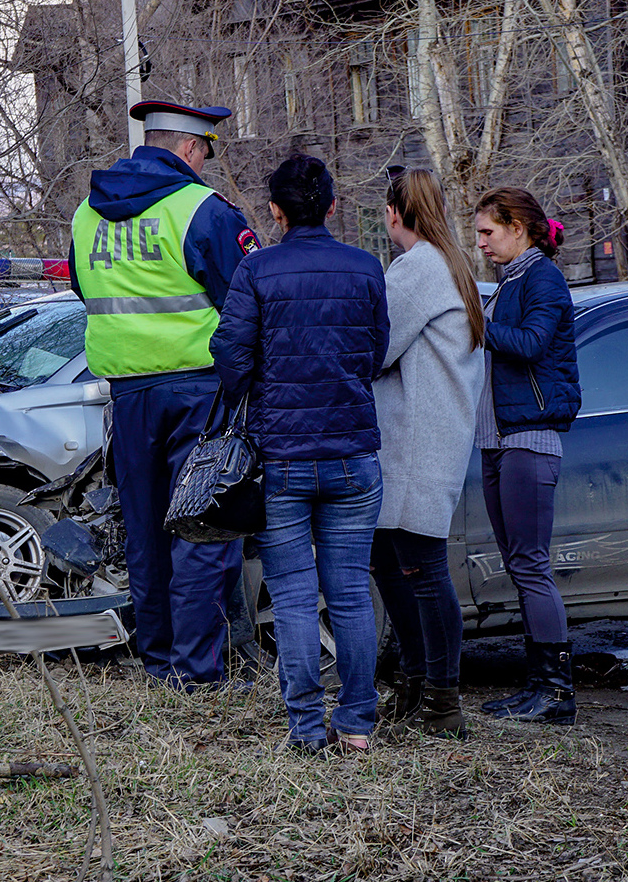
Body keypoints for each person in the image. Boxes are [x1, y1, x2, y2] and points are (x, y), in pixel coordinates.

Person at [68, 100, 261, 689]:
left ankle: (157, 661)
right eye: (206, 150)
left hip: (126, 394)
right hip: (199, 391)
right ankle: (196, 671)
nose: (206, 162)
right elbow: (246, 300)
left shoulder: (85, 215)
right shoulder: (202, 210)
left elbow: (84, 291)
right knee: (204, 525)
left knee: (147, 530)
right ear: (188, 148)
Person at [211, 155, 389, 754]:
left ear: (275, 212)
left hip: (284, 458)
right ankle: (358, 723)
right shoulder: (366, 268)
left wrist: (258, 397)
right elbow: (376, 350)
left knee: (290, 593)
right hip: (354, 454)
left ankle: (307, 729)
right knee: (349, 592)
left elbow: (230, 354)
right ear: (333, 206)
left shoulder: (257, 271)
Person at [371, 169, 487, 739]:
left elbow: (376, 345)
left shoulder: (416, 269)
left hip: (417, 441)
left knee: (421, 570)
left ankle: (441, 701)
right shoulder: (451, 261)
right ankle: (419, 685)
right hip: (428, 436)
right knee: (395, 563)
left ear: (397, 212)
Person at [471, 187, 581, 725]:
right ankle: (537, 685)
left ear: (519, 228)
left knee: (532, 567)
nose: (482, 244)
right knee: (520, 566)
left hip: (530, 439)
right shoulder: (510, 279)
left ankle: (558, 693)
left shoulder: (542, 277)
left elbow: (534, 341)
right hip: (499, 442)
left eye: (488, 232)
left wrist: (480, 327)